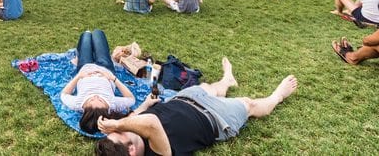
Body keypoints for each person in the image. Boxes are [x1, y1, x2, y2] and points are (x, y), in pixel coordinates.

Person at [96, 57, 298, 155]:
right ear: (131, 150)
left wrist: (146, 104)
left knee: (209, 87)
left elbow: (137, 116)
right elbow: (151, 124)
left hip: (185, 99)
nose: (119, 128)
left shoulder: (131, 133)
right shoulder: (154, 153)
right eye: (119, 133)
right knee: (249, 104)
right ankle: (278, 95)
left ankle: (227, 80)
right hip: (215, 117)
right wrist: (118, 124)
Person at [61, 29, 136, 134]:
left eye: (91, 100)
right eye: (101, 100)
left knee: (86, 35)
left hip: (85, 67)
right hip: (105, 68)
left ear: (85, 109)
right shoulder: (113, 104)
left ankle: (79, 56)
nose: (96, 96)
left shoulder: (77, 104)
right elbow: (131, 99)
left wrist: (79, 76)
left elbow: (64, 94)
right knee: (98, 33)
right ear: (106, 109)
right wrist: (113, 78)